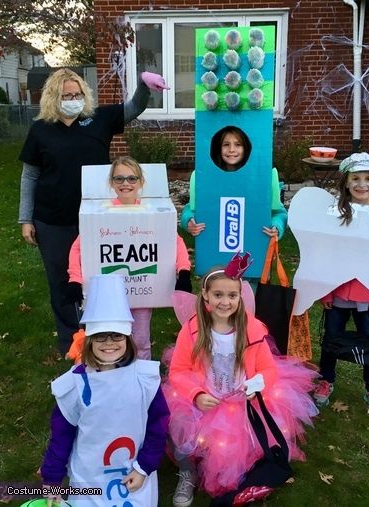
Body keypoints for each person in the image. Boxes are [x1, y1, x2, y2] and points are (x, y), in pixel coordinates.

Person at [18, 68, 169, 354]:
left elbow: (134, 107)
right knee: (62, 281)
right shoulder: (41, 130)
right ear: (53, 97)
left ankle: (106, 338)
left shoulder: (98, 119)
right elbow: (30, 175)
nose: (72, 99)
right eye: (66, 95)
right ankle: (72, 343)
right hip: (53, 219)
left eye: (77, 94)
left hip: (99, 218)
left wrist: (144, 85)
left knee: (101, 279)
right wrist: (25, 218)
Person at [164, 255, 318, 506]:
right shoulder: (192, 330)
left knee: (238, 448)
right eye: (218, 295)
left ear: (240, 297)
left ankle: (239, 471)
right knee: (178, 428)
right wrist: (195, 394)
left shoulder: (252, 329)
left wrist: (256, 384)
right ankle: (188, 472)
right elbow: (179, 370)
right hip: (204, 400)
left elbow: (268, 368)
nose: (225, 302)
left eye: (232, 296)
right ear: (205, 295)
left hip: (242, 403)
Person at [40, 274, 169, 507]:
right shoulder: (74, 385)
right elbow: (61, 435)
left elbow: (158, 427)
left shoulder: (145, 380)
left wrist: (144, 467)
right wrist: (53, 478)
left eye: (116, 335)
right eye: (100, 336)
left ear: (128, 339)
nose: (109, 343)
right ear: (88, 341)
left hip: (134, 474)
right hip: (89, 478)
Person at [66, 155, 193, 360]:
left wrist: (184, 271)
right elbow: (79, 248)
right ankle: (113, 374)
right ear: (111, 183)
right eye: (119, 179)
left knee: (141, 338)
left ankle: (142, 378)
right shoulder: (99, 214)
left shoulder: (153, 213)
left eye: (132, 178)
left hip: (142, 290)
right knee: (111, 337)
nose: (126, 183)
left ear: (141, 182)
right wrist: (75, 279)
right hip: (109, 293)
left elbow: (174, 241)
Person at [313, 152, 369, 417]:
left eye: (368, 178)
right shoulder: (336, 214)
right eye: (355, 178)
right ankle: (326, 380)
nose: (361, 184)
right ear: (346, 182)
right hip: (339, 291)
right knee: (331, 339)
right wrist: (325, 290)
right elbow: (326, 255)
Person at [180, 125, 287, 239]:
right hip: (214, 242)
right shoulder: (208, 178)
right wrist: (189, 221)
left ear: (246, 148)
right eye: (226, 144)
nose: (231, 150)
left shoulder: (260, 178)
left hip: (252, 243)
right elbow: (191, 208)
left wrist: (276, 226)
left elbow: (279, 213)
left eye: (238, 144)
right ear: (219, 148)